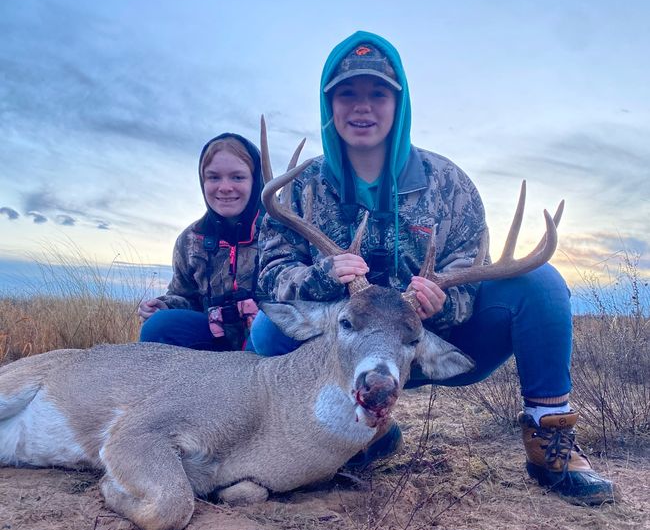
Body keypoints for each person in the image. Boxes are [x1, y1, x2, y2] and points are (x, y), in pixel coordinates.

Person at [249, 31, 615, 505]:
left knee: (539, 283)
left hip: (430, 343)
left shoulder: (447, 182)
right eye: (347, 94)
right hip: (345, 346)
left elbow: (471, 259)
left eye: (378, 94)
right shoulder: (303, 186)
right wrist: (322, 275)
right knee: (268, 331)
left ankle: (551, 442)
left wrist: (444, 301)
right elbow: (271, 271)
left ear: (398, 103)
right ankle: (360, 431)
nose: (362, 107)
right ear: (329, 104)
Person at [139, 132, 262, 351]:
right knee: (158, 326)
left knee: (267, 329)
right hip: (215, 337)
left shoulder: (280, 232)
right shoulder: (191, 239)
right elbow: (185, 296)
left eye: (238, 177)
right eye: (213, 177)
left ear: (256, 180)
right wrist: (164, 306)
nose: (225, 187)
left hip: (265, 342)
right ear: (202, 181)